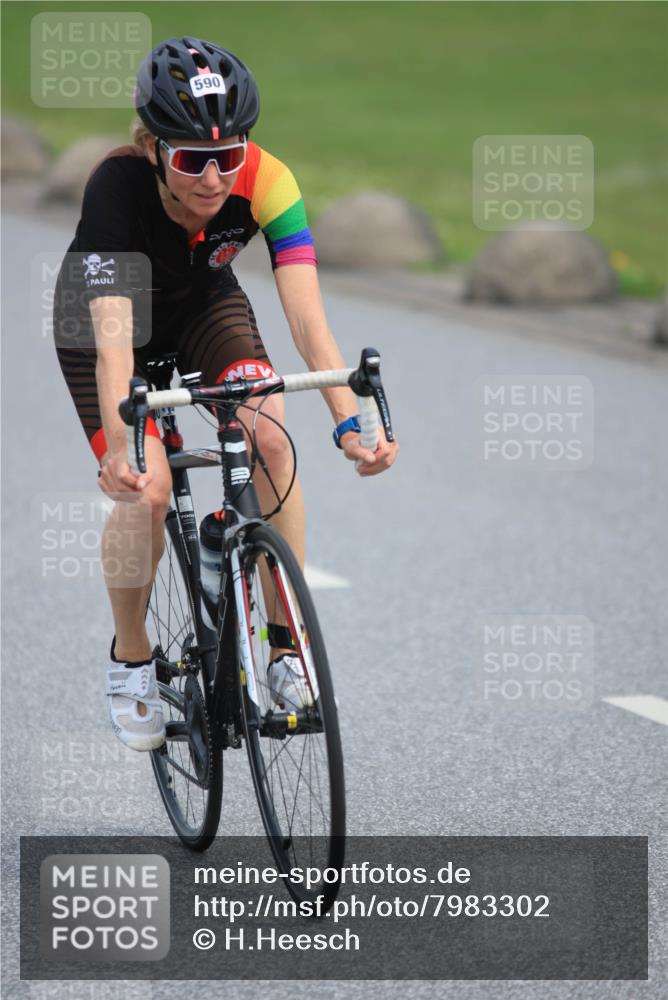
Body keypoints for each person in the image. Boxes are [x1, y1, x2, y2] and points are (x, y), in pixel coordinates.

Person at [53, 36, 398, 753]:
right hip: (105, 324)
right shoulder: (114, 188)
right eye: (191, 160)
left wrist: (349, 423)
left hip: (202, 304)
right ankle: (131, 658)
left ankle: (283, 649)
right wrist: (122, 450)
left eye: (229, 155)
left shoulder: (268, 179)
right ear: (151, 148)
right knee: (146, 489)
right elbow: (115, 343)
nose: (213, 178)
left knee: (270, 435)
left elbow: (308, 321)